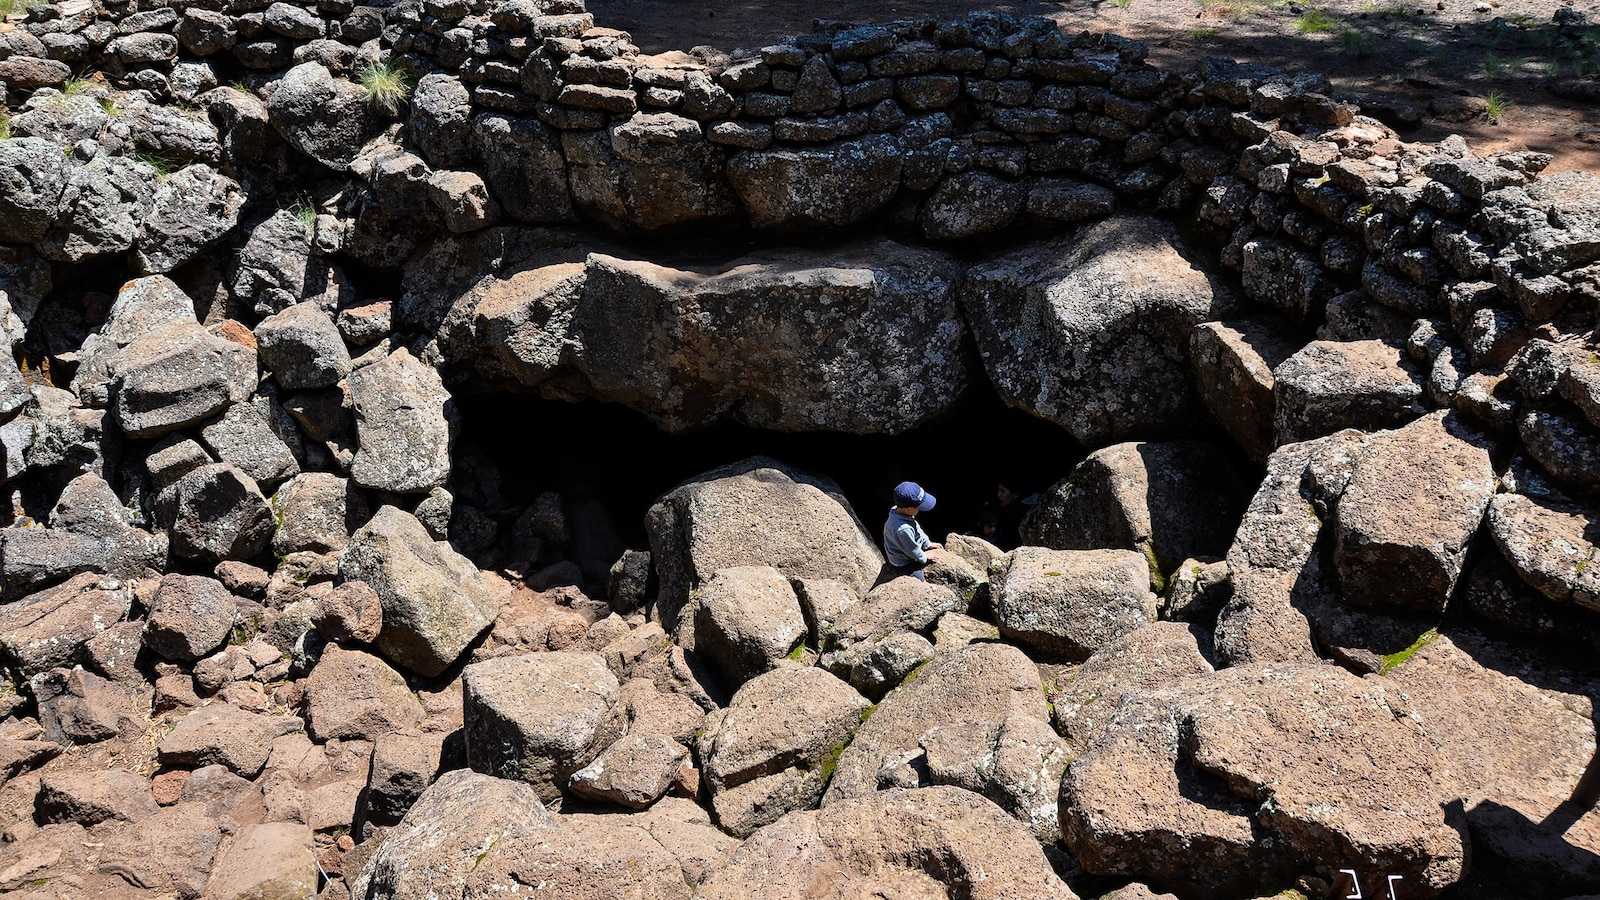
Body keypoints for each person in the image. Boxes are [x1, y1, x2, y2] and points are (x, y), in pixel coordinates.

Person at [884, 481, 942, 581]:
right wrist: (924, 556)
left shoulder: (898, 511)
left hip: (908, 548)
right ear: (908, 509)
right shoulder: (903, 529)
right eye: (918, 507)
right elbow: (911, 550)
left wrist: (928, 543)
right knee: (919, 580)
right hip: (903, 562)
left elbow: (917, 529)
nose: (919, 510)